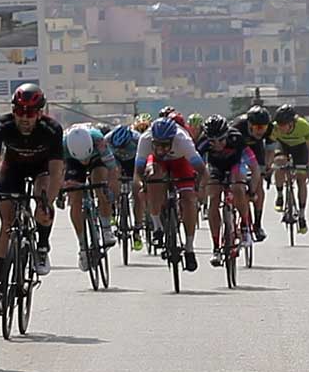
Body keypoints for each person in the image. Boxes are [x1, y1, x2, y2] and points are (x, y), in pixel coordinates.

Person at [0, 84, 64, 317]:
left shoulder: (52, 129)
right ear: (13, 110)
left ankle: (41, 246)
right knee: (7, 226)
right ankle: (0, 292)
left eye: (30, 112)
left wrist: (48, 201)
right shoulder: (1, 126)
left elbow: (57, 170)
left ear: (40, 112)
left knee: (42, 202)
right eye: (20, 111)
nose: (25, 118)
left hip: (42, 169)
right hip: (13, 168)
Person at [136, 116, 206, 272]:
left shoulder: (183, 141)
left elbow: (201, 170)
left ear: (172, 140)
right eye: (157, 145)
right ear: (152, 140)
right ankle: (157, 226)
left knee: (188, 200)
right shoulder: (145, 140)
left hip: (180, 162)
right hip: (157, 163)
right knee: (153, 179)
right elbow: (138, 172)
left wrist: (197, 188)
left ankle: (189, 248)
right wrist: (143, 186)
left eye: (165, 145)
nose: (161, 149)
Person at [197, 115, 258, 266]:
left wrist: (252, 191)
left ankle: (244, 226)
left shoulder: (236, 139)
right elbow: (197, 170)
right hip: (215, 168)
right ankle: (216, 247)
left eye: (221, 140)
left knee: (237, 187)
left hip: (235, 166)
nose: (217, 144)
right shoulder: (202, 143)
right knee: (213, 199)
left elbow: (254, 167)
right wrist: (199, 191)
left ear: (227, 135)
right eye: (213, 142)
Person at [61, 123, 119, 270]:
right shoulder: (62, 145)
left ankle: (106, 229)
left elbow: (112, 168)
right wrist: (60, 192)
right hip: (72, 162)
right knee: (75, 200)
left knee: (100, 185)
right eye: (82, 159)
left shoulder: (98, 140)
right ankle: (82, 247)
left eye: (85, 158)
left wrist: (111, 189)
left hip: (97, 159)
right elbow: (57, 172)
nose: (84, 162)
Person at [269, 105, 309, 234]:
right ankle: (279, 194)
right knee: (279, 162)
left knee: (301, 179)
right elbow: (270, 149)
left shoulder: (303, 126)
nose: (281, 127)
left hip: (300, 148)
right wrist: (268, 166)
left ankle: (301, 214)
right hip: (283, 146)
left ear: (292, 123)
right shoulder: (275, 128)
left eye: (284, 124)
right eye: (279, 124)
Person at [231, 105, 272, 242]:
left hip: (256, 150)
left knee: (258, 183)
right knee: (238, 180)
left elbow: (270, 150)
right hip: (238, 149)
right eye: (257, 128)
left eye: (264, 128)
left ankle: (258, 224)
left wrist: (267, 166)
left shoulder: (269, 129)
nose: (261, 132)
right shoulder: (237, 126)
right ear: (249, 124)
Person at [105, 123, 145, 251]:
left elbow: (143, 160)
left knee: (137, 191)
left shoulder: (138, 140)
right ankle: (113, 208)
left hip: (133, 162)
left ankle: (138, 228)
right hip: (116, 161)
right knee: (113, 179)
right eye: (119, 147)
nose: (122, 150)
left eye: (124, 147)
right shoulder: (107, 139)